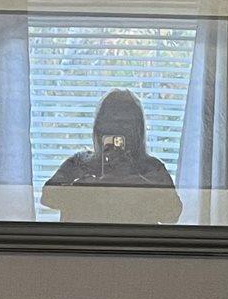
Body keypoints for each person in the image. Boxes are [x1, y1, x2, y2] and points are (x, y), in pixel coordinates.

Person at [40, 89, 182, 226]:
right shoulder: (79, 163)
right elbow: (47, 197)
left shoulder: (151, 168)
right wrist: (84, 187)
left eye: (125, 123)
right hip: (84, 240)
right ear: (99, 127)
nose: (117, 129)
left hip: (133, 241)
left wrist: (138, 182)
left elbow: (172, 214)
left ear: (137, 129)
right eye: (110, 122)